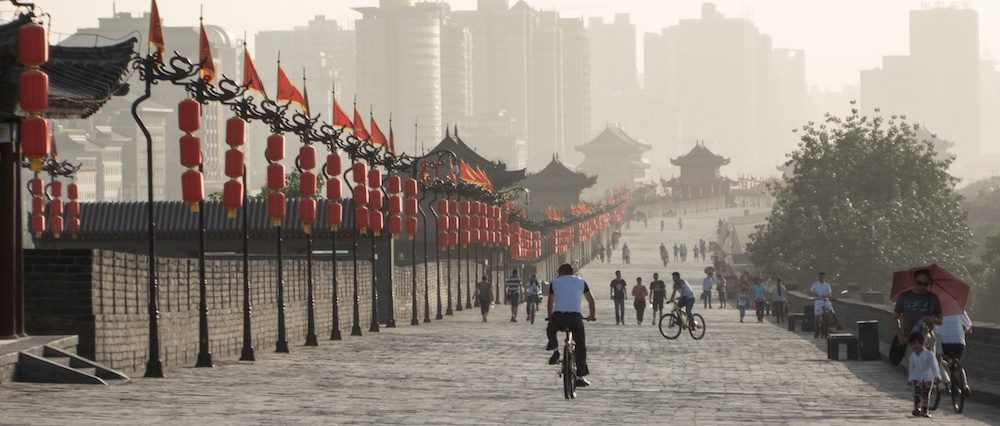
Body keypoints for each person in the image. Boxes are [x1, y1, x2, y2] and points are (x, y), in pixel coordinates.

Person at [546, 263, 596, 388]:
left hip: (558, 317)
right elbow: (591, 300)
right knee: (581, 346)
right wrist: (591, 315)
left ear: (562, 271)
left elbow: (550, 301)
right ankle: (579, 377)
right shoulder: (581, 282)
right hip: (575, 318)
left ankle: (556, 350)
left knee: (550, 330)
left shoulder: (555, 282)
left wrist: (550, 316)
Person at [891, 269, 943, 364]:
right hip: (910, 339)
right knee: (914, 371)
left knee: (929, 372)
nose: (922, 286)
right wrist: (900, 335)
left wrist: (933, 319)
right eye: (919, 283)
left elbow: (940, 320)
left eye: (925, 284)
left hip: (928, 338)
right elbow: (895, 317)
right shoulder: (904, 297)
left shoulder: (933, 298)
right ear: (914, 281)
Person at [937, 311, 972, 396]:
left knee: (938, 359)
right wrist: (963, 333)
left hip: (944, 342)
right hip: (959, 342)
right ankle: (965, 384)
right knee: (956, 363)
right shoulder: (959, 309)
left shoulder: (937, 308)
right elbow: (969, 326)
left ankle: (945, 381)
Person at [907, 332, 940, 418]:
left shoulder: (929, 354)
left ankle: (925, 411)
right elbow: (911, 369)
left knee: (925, 395)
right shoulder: (912, 356)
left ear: (922, 343)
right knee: (917, 394)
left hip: (927, 377)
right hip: (916, 377)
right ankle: (917, 409)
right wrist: (910, 379)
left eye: (915, 344)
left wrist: (936, 376)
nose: (914, 346)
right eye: (912, 345)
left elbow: (934, 366)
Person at [810, 272, 843, 336]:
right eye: (820, 276)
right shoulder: (815, 284)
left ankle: (837, 325)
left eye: (822, 277)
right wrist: (815, 294)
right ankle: (817, 331)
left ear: (824, 277)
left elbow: (829, 293)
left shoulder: (827, 285)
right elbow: (811, 292)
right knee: (817, 316)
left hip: (825, 300)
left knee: (831, 311)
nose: (821, 278)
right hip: (818, 300)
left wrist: (827, 295)